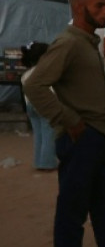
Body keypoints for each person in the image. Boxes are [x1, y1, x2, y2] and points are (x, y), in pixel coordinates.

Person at [23, 0, 105, 247]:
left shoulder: (89, 43)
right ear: (79, 8)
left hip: (103, 136)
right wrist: (70, 121)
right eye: (98, 6)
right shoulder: (69, 42)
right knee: (72, 211)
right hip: (82, 139)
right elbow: (36, 86)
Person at [19, 41, 57, 171]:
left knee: (39, 133)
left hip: (30, 106)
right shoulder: (47, 72)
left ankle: (38, 161)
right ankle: (47, 163)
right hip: (45, 105)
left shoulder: (26, 74)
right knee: (49, 133)